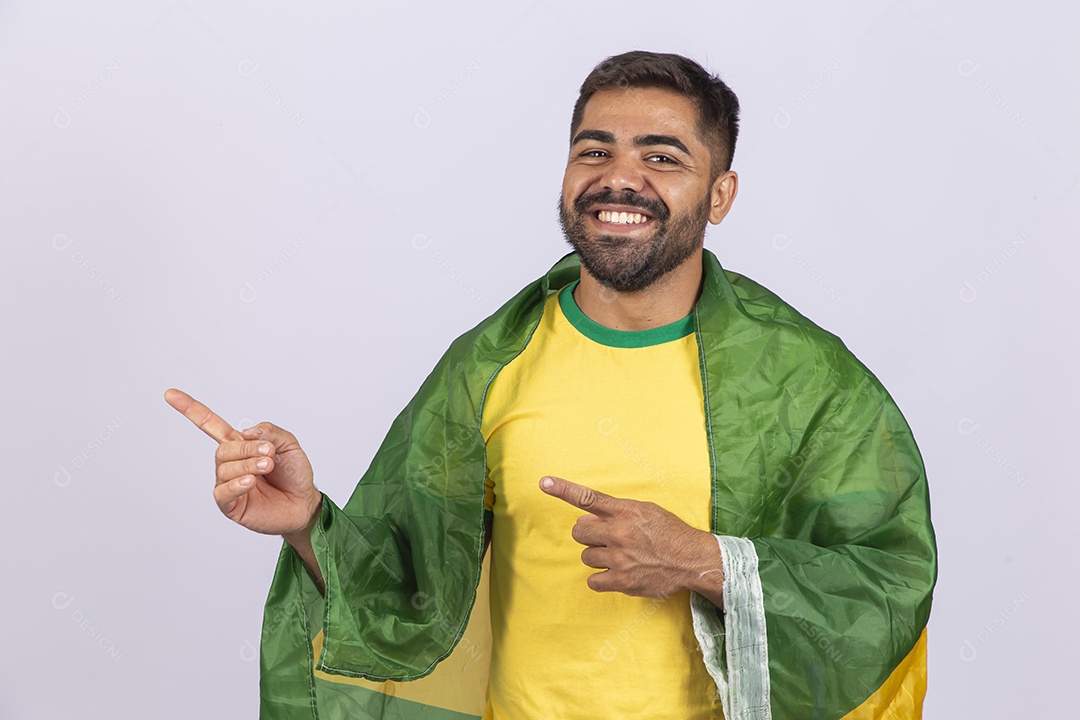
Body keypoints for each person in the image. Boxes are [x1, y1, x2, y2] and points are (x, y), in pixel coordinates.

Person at [166, 51, 936, 720]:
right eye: (594, 151)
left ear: (720, 195)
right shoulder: (488, 365)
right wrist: (307, 522)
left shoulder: (805, 381)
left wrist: (703, 561)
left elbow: (889, 584)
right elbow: (404, 588)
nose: (619, 178)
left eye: (663, 157)